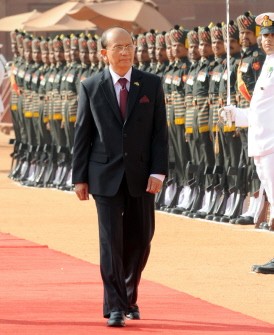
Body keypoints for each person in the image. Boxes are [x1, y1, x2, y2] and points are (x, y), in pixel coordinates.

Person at [72, 27, 168, 326]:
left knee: (141, 239)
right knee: (110, 242)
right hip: (104, 175)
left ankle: (128, 295)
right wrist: (80, 177)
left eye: (129, 46)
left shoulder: (150, 84)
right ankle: (115, 306)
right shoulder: (91, 86)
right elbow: (82, 134)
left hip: (142, 176)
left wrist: (158, 171)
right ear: (104, 53)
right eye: (118, 47)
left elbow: (159, 133)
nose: (125, 52)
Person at [220, 12, 274, 274]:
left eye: (272, 35)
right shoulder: (267, 64)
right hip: (263, 143)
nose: (268, 40)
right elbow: (260, 109)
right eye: (264, 35)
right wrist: (237, 115)